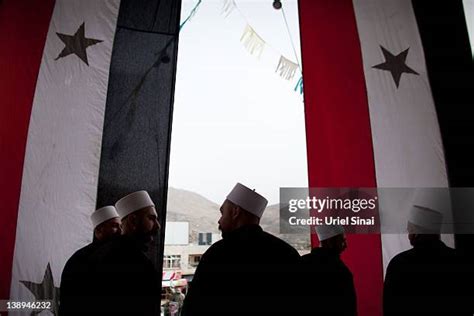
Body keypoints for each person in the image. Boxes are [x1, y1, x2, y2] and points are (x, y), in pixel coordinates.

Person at [182, 183, 301, 315]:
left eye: (222, 213)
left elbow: (193, 308)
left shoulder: (217, 254)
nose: (219, 221)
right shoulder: (287, 253)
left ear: (235, 212)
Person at [383, 191, 471, 315]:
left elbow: (390, 309)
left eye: (410, 230)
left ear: (416, 234)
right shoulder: (460, 261)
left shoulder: (399, 264)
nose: (409, 235)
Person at [89, 190, 161, 315]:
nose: (157, 226)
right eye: (151, 218)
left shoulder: (102, 254)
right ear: (133, 221)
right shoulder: (132, 261)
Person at [59, 206, 121, 315]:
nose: (120, 231)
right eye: (115, 226)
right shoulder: (84, 258)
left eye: (121, 226)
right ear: (99, 229)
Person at [300, 224, 357, 316]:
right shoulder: (340, 271)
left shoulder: (303, 262)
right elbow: (349, 307)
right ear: (330, 242)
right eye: (342, 241)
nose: (345, 245)